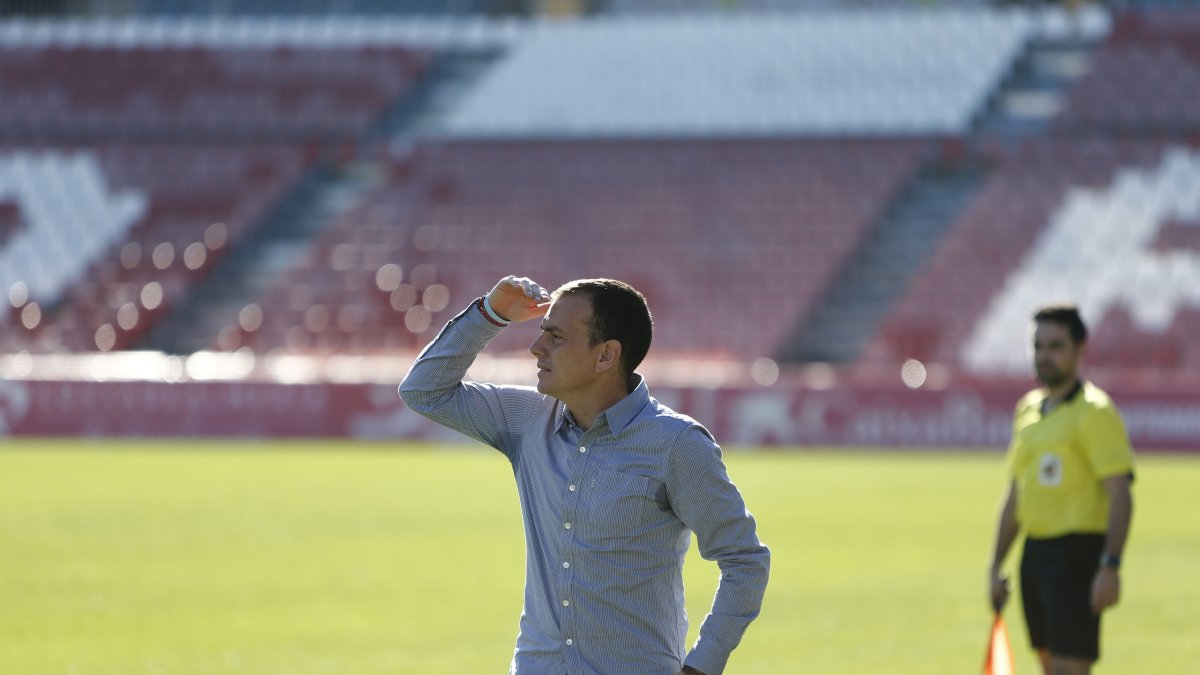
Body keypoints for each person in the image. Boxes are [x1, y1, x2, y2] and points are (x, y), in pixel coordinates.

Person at [399, 276, 770, 675]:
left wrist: (701, 666)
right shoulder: (527, 420)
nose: (535, 347)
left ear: (606, 355)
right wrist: (489, 314)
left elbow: (744, 559)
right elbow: (424, 390)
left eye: (556, 337)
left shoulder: (677, 444)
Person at [986, 305, 1135, 675]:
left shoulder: (1095, 412)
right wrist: (996, 563)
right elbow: (1017, 493)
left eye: (1055, 346)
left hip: (1077, 554)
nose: (1044, 356)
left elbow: (1120, 493)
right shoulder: (1028, 409)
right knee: (1050, 667)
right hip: (1035, 555)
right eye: (1038, 346)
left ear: (1080, 349)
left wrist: (1111, 565)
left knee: (1071, 670)